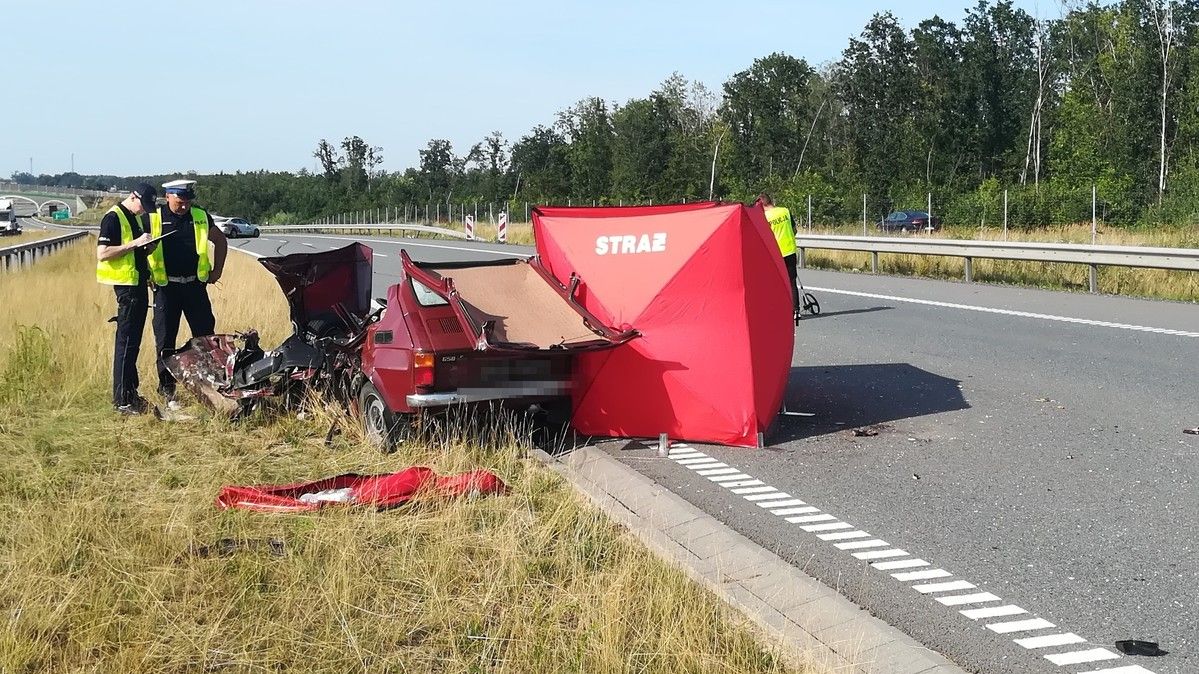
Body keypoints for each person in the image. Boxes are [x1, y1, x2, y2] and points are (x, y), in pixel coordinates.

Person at [149, 178, 228, 407]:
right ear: (168, 197)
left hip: (195, 287)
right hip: (166, 288)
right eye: (179, 201)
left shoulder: (200, 216)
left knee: (205, 338)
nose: (184, 206)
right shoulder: (154, 218)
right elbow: (140, 249)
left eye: (187, 202)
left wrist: (218, 270)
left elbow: (220, 240)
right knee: (165, 340)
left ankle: (212, 386)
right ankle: (167, 391)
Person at [96, 183, 159, 415]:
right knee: (126, 345)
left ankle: (131, 394)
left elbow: (133, 253)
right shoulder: (112, 218)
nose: (144, 210)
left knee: (133, 344)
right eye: (143, 205)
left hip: (138, 285)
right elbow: (103, 253)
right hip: (126, 289)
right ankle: (122, 400)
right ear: (133, 197)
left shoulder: (133, 218)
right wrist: (134, 243)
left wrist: (147, 248)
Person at [757, 192, 800, 314]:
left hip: (775, 254)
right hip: (790, 250)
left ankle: (778, 310)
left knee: (775, 283)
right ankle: (796, 310)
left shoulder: (765, 217)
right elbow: (794, 230)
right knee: (792, 282)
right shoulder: (785, 211)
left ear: (761, 204)